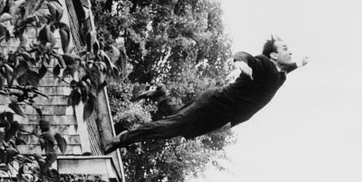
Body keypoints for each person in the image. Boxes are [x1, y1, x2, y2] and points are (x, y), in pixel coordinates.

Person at [102, 36, 308, 152]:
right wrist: (240, 62)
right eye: (285, 48)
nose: (290, 52)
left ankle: (160, 94)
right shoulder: (263, 64)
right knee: (173, 126)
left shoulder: (280, 76)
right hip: (216, 103)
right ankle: (122, 139)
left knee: (179, 123)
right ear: (273, 55)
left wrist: (299, 64)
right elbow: (243, 55)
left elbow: (287, 69)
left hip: (223, 117)